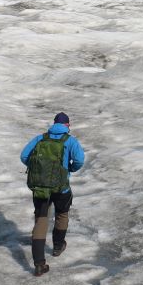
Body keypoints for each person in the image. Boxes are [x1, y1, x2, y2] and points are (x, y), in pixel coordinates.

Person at [21, 112, 85, 276]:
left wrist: (38, 169)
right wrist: (70, 169)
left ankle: (39, 263)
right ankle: (57, 246)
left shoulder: (40, 138)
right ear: (67, 126)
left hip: (41, 188)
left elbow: (24, 156)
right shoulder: (70, 141)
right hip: (61, 187)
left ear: (54, 123)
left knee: (41, 220)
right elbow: (79, 160)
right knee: (62, 214)